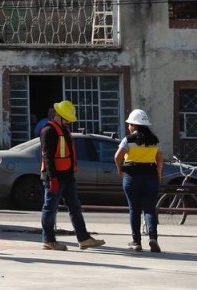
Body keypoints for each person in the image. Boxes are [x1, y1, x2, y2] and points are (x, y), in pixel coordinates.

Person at [39, 99, 105, 251]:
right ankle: (48, 240)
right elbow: (47, 156)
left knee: (75, 207)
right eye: (67, 119)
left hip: (67, 176)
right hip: (54, 177)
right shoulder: (48, 130)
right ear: (59, 116)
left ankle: (84, 238)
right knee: (50, 208)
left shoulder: (64, 130)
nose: (69, 122)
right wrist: (52, 178)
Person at [114, 108, 163, 252]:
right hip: (151, 177)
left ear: (135, 125)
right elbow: (160, 158)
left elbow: (117, 156)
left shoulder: (128, 140)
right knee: (149, 209)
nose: (128, 127)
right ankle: (153, 238)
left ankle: (136, 242)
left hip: (132, 177)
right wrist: (159, 173)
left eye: (129, 124)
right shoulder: (154, 140)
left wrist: (119, 169)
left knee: (134, 209)